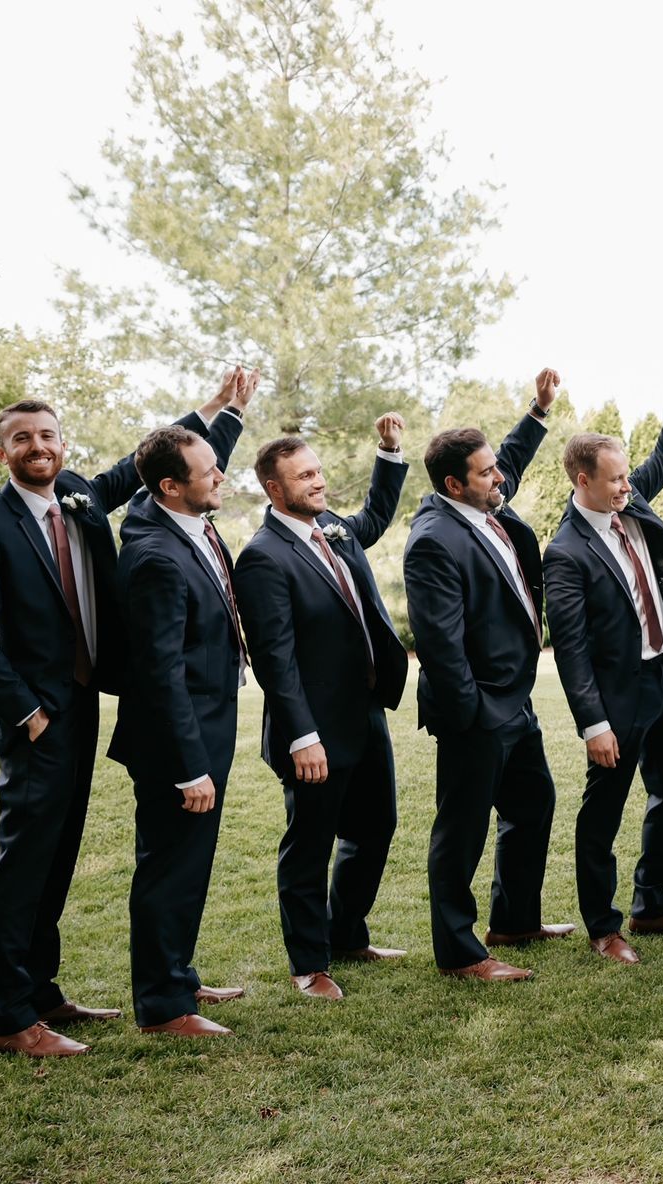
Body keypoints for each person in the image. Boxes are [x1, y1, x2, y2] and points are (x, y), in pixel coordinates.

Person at [0, 373, 251, 1056]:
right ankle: (7, 1019)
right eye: (22, 438)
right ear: (4, 454)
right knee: (25, 864)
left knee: (57, 857)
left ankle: (44, 992)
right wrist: (25, 710)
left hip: (84, 706)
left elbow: (149, 466)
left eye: (47, 435)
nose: (38, 446)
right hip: (39, 719)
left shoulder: (80, 497)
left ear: (61, 443)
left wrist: (214, 411)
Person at [230, 414, 412, 1001]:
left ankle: (346, 934)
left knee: (376, 827)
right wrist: (302, 735)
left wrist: (388, 454)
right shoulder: (263, 556)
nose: (318, 482)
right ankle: (309, 963)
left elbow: (375, 518)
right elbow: (273, 658)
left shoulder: (333, 528)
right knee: (309, 846)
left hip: (365, 714)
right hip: (311, 729)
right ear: (273, 489)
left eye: (318, 471)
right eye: (303, 476)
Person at [405, 370, 575, 982]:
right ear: (454, 484)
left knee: (533, 805)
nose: (499, 477)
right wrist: (476, 713)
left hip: (516, 699)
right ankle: (460, 953)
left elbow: (508, 462)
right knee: (461, 831)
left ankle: (514, 920)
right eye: (486, 473)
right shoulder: (434, 541)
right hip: (476, 708)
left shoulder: (485, 506)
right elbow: (440, 648)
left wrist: (537, 410)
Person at [543, 326, 663, 966]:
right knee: (602, 812)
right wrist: (593, 722)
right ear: (581, 479)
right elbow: (571, 649)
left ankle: (653, 902)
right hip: (616, 696)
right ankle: (605, 926)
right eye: (613, 480)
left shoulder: (629, 503)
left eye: (625, 478)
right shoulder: (565, 553)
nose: (626, 487)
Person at [109, 419, 258, 1036]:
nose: (221, 473)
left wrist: (221, 413)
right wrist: (188, 765)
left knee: (189, 864)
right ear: (170, 487)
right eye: (209, 470)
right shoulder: (154, 557)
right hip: (179, 739)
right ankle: (164, 1007)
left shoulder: (186, 523)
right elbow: (159, 672)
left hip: (208, 724)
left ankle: (180, 976)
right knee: (169, 868)